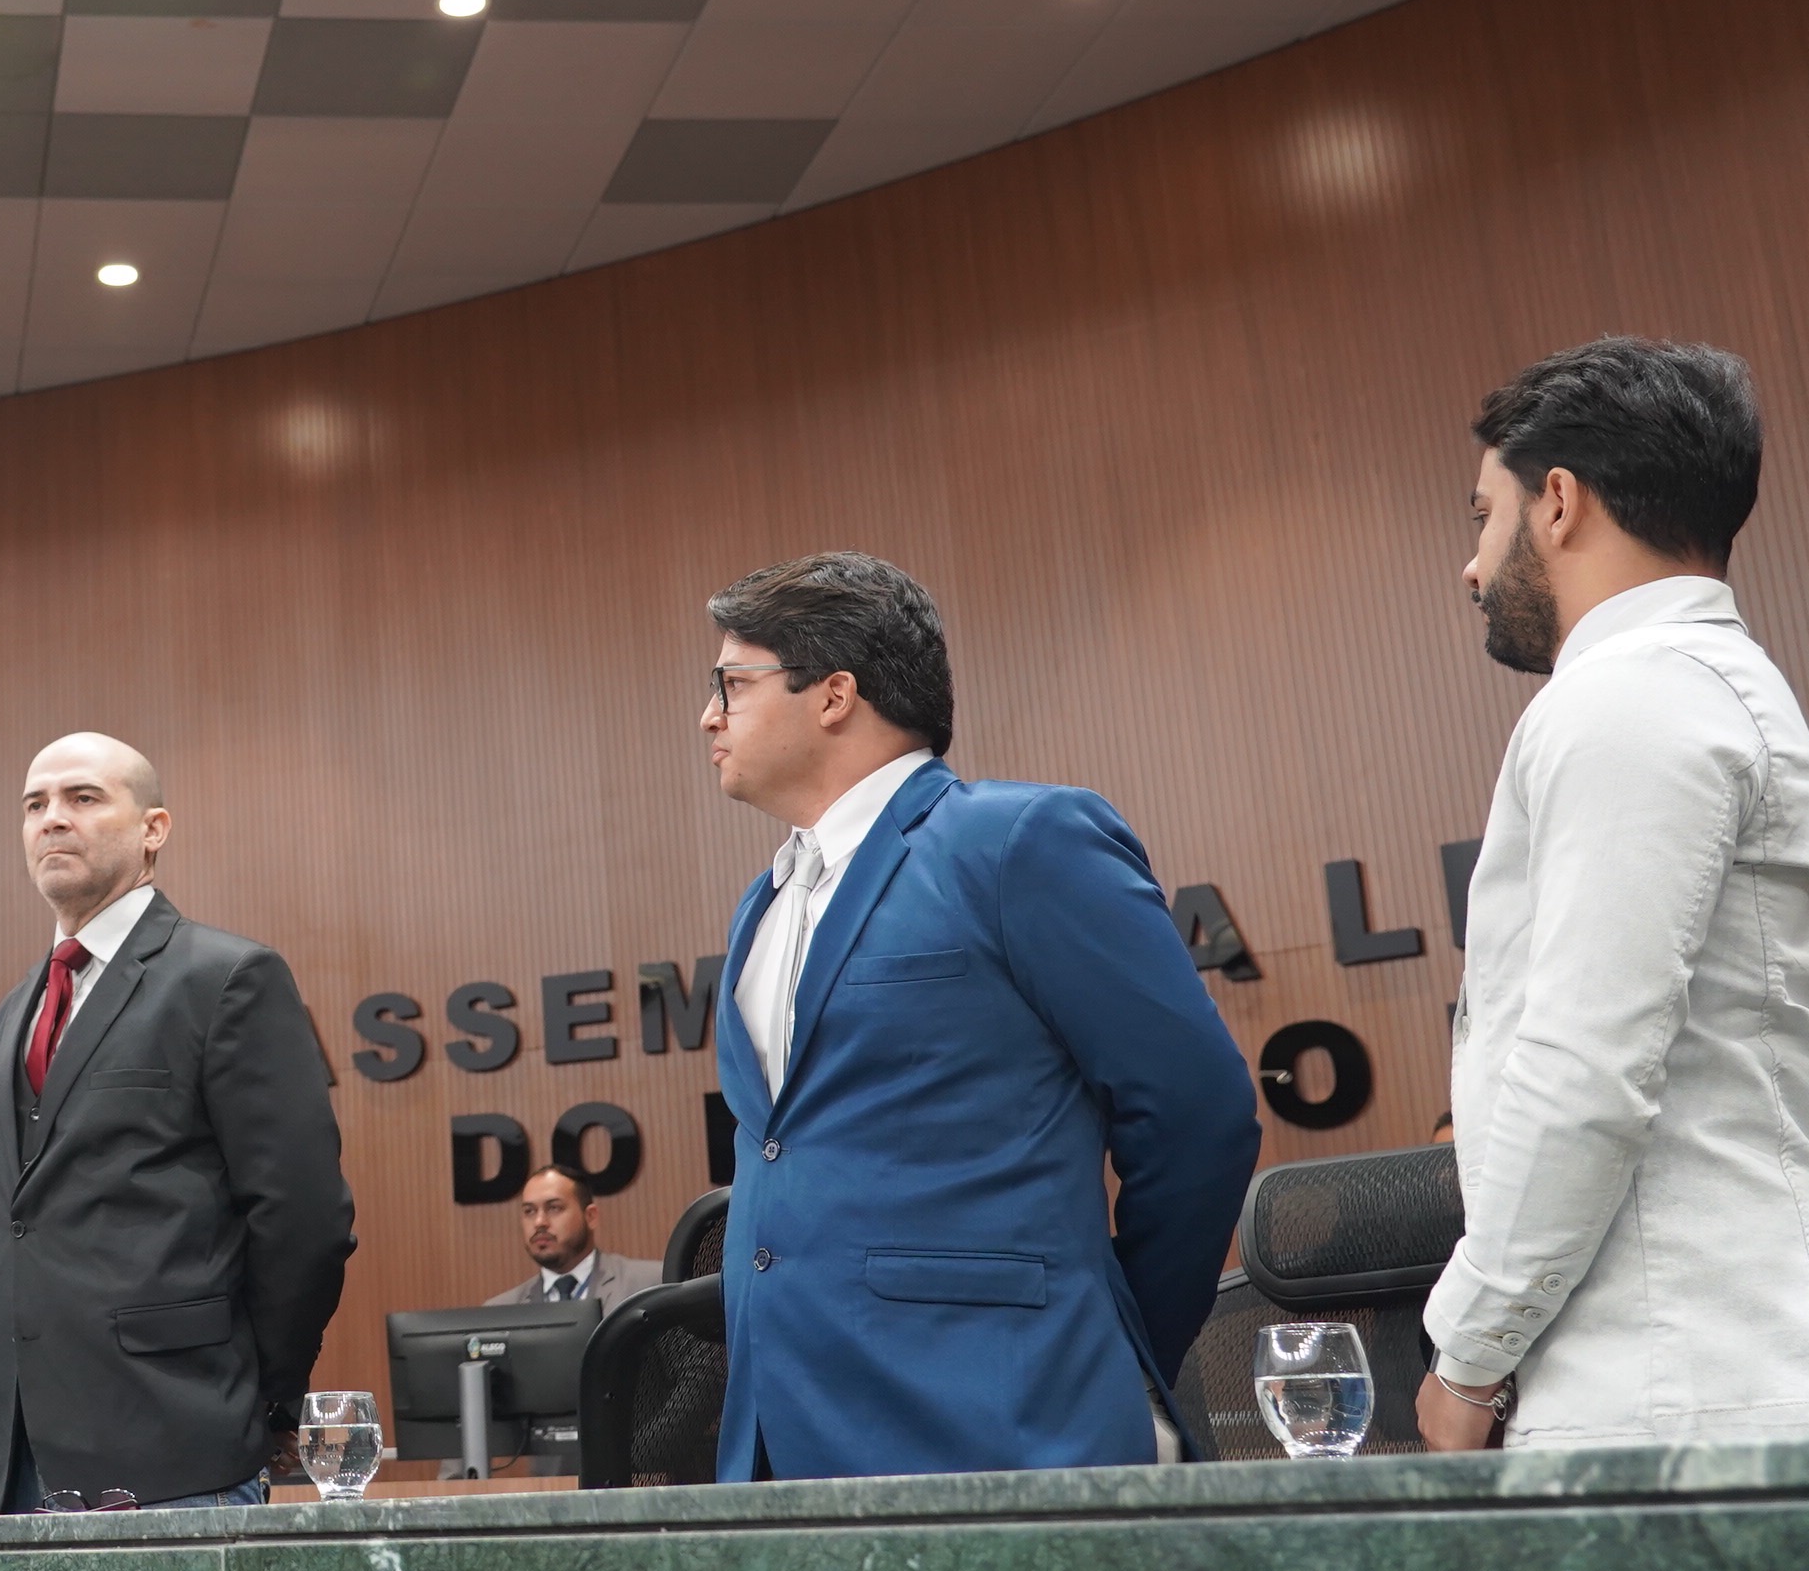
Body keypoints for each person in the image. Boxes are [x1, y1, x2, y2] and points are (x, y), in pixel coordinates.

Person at [1419, 338, 1809, 1450]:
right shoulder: (1700, 682)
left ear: (1559, 501)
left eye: (1484, 515)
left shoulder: (1628, 697)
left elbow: (1584, 1066)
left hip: (1706, 1401)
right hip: (1745, 1384)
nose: (1472, 568)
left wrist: (1467, 1360)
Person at [700, 554, 1255, 1480]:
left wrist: (1104, 1338)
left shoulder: (1017, 842)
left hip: (1008, 1418)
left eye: (732, 684)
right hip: (782, 1439)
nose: (709, 716)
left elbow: (1198, 1114)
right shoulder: (762, 903)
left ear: (834, 694)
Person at [0, 734, 355, 1510]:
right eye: (35, 805)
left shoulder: (225, 978)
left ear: (154, 829)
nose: (53, 819)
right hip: (25, 1460)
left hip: (182, 1445)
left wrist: (262, 1396)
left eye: (84, 798)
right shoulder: (13, 1013)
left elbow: (304, 1218)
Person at [485, 1160, 654, 1309]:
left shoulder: (648, 1284)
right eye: (529, 1211)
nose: (539, 1222)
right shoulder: (500, 1311)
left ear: (590, 1217)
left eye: (554, 1208)